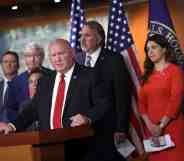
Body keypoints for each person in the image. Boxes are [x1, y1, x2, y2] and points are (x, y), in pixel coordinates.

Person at [0, 39, 123, 161]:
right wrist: (12, 126)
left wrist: (87, 117)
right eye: (54, 55)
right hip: (50, 149)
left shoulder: (91, 75)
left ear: (72, 53)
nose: (57, 59)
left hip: (84, 149)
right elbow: (32, 110)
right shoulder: (45, 81)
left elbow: (104, 104)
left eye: (61, 54)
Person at [79, 20, 133, 144]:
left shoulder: (114, 59)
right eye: (81, 35)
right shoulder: (77, 60)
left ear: (99, 39)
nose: (82, 39)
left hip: (109, 126)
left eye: (87, 35)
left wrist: (121, 128)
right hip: (84, 129)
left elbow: (122, 95)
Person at [138, 34, 184, 161]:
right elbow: (141, 104)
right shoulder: (146, 75)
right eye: (147, 49)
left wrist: (161, 126)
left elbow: (176, 99)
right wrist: (150, 126)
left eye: (154, 47)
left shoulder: (175, 71)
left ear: (164, 49)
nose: (150, 52)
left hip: (171, 128)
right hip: (153, 132)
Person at [5, 42, 52, 122]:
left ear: (43, 57)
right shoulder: (15, 82)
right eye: (29, 56)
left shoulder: (53, 76)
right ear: (24, 59)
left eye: (36, 56)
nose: (32, 59)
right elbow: (10, 109)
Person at [0, 51, 19, 122]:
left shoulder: (25, 84)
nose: (8, 64)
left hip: (20, 130)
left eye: (12, 61)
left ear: (18, 65)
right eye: (5, 62)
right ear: (1, 65)